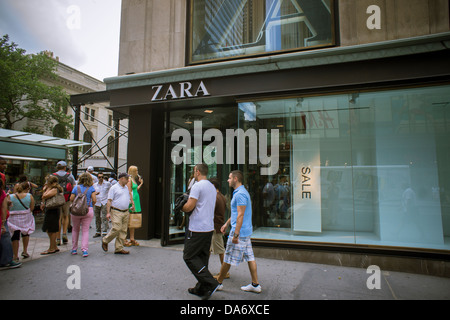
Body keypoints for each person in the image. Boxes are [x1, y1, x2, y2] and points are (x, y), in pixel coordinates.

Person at [216, 170, 261, 293]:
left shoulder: (240, 194)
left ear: (236, 179)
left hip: (240, 232)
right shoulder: (241, 192)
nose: (228, 180)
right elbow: (237, 213)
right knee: (250, 257)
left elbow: (240, 215)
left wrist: (235, 234)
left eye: (230, 178)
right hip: (245, 232)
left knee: (228, 258)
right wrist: (226, 223)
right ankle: (255, 285)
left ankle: (218, 283)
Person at [181, 164, 219, 300]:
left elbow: (190, 206)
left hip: (197, 228)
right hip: (208, 227)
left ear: (197, 172)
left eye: (194, 170)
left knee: (188, 256)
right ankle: (201, 289)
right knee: (202, 259)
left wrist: (181, 207)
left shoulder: (197, 186)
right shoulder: (211, 187)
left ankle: (211, 282)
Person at [102, 173, 135, 255]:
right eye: (127, 179)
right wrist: (108, 212)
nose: (128, 180)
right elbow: (109, 200)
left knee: (123, 230)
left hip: (125, 211)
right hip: (116, 211)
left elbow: (129, 196)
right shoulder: (114, 188)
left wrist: (132, 204)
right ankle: (105, 240)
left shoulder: (126, 188)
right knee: (116, 228)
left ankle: (119, 248)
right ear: (122, 178)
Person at [70, 173, 96, 257]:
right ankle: (84, 250)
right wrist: (91, 205)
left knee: (75, 229)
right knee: (85, 230)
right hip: (88, 210)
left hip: (76, 211)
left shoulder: (76, 188)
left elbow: (71, 198)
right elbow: (94, 199)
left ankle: (74, 249)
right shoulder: (91, 188)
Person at [8, 182, 35, 261]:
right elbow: (32, 208)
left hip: (13, 219)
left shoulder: (10, 197)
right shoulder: (29, 196)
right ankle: (25, 251)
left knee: (15, 236)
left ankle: (15, 255)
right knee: (25, 233)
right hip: (26, 217)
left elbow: (7, 207)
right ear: (26, 189)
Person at [0, 178, 21, 270]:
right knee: (5, 238)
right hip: (1, 220)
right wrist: (3, 223)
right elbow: (4, 209)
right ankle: (7, 260)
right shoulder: (2, 194)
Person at [209, 178, 228, 278]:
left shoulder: (215, 197)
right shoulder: (222, 197)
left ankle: (225, 272)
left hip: (215, 226)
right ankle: (204, 268)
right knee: (208, 247)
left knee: (220, 250)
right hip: (217, 225)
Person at [40, 175, 64, 255]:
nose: (46, 183)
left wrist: (46, 189)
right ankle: (54, 246)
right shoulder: (54, 188)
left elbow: (44, 196)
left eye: (47, 182)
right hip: (51, 209)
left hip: (52, 210)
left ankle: (52, 248)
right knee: (49, 228)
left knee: (51, 229)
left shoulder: (54, 189)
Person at [54, 161, 75, 245]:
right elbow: (74, 187)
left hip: (56, 200)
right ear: (65, 167)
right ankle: (64, 233)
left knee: (58, 218)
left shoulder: (53, 176)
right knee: (65, 216)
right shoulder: (69, 175)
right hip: (66, 199)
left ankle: (58, 238)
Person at [125, 166, 143, 247]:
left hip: (135, 200)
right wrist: (132, 203)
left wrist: (141, 183)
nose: (137, 172)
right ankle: (125, 238)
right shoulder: (129, 179)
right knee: (128, 220)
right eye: (136, 170)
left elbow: (135, 190)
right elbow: (129, 192)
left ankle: (132, 238)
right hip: (132, 201)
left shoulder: (133, 179)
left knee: (132, 220)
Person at [93, 173, 112, 238]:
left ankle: (104, 231)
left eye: (102, 177)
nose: (101, 178)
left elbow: (111, 191)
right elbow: (92, 192)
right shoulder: (94, 185)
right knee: (97, 217)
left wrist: (109, 199)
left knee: (104, 216)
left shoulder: (107, 184)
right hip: (97, 202)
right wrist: (95, 193)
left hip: (104, 201)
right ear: (97, 178)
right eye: (99, 177)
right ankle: (98, 231)